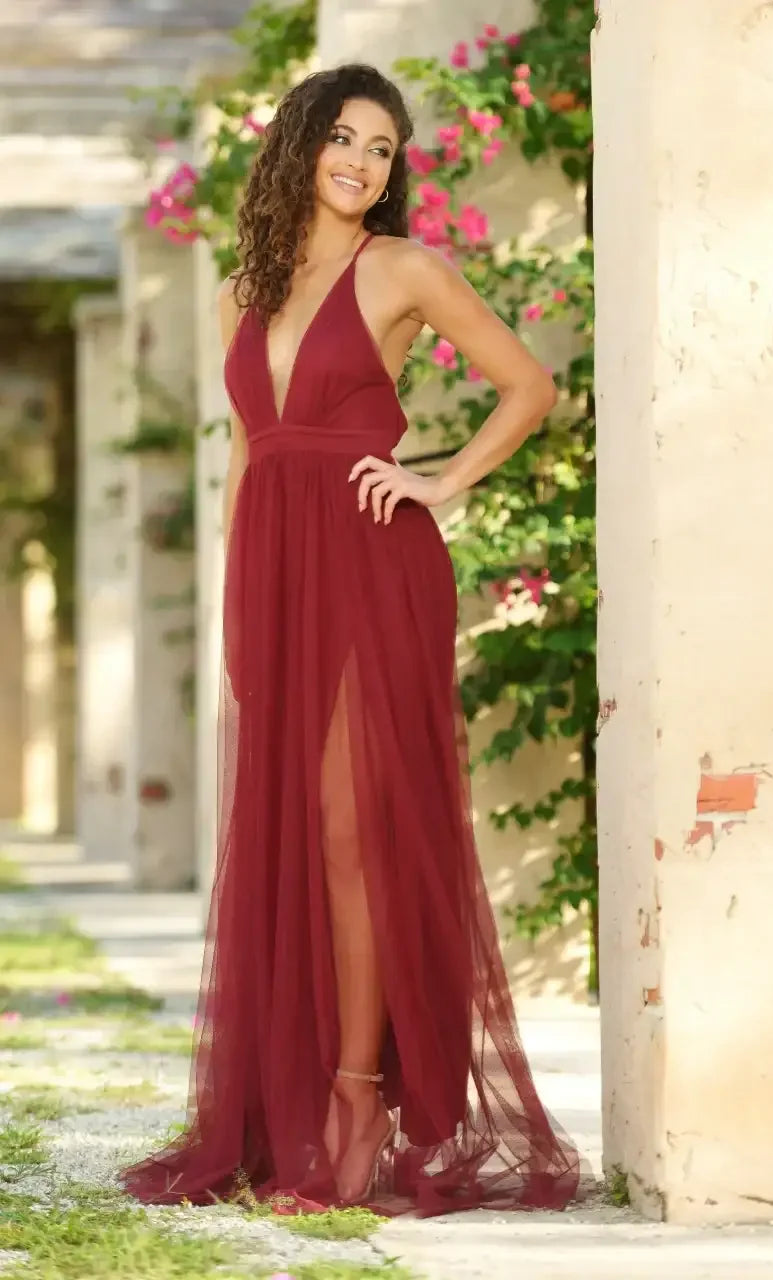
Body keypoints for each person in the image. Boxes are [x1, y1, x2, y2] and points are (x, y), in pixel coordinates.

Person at [120, 62, 580, 1218]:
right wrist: (236, 599)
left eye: (381, 146)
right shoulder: (245, 288)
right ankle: (296, 1097)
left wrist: (437, 481)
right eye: (343, 138)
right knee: (285, 830)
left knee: (346, 830)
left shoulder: (404, 268)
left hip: (371, 561)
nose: (361, 162)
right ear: (301, 145)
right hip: (276, 572)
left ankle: (359, 1097)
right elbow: (246, 452)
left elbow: (529, 387)